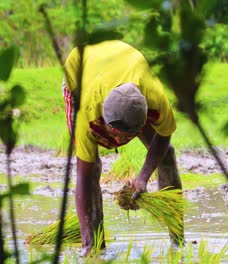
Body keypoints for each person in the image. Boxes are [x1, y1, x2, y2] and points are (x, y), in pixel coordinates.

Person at [62, 40, 183, 256]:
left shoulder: (155, 97)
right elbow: (83, 175)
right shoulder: (89, 110)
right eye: (115, 134)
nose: (119, 140)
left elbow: (164, 135)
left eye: (128, 136)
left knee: (167, 155)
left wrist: (143, 177)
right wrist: (86, 242)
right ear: (105, 121)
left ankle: (177, 239)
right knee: (92, 168)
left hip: (123, 64)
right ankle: (94, 246)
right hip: (81, 75)